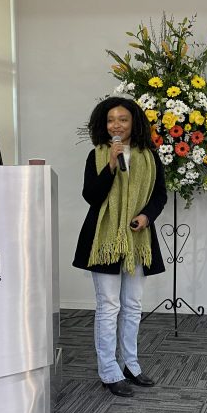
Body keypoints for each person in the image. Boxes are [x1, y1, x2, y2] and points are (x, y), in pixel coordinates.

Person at [73, 96, 167, 397]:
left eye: (123, 119)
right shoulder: (98, 155)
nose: (117, 125)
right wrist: (112, 164)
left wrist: (146, 216)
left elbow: (160, 196)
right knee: (109, 306)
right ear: (105, 124)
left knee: (133, 305)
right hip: (104, 241)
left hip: (137, 240)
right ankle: (109, 370)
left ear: (133, 123)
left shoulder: (151, 157)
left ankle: (131, 364)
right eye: (111, 120)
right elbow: (92, 196)